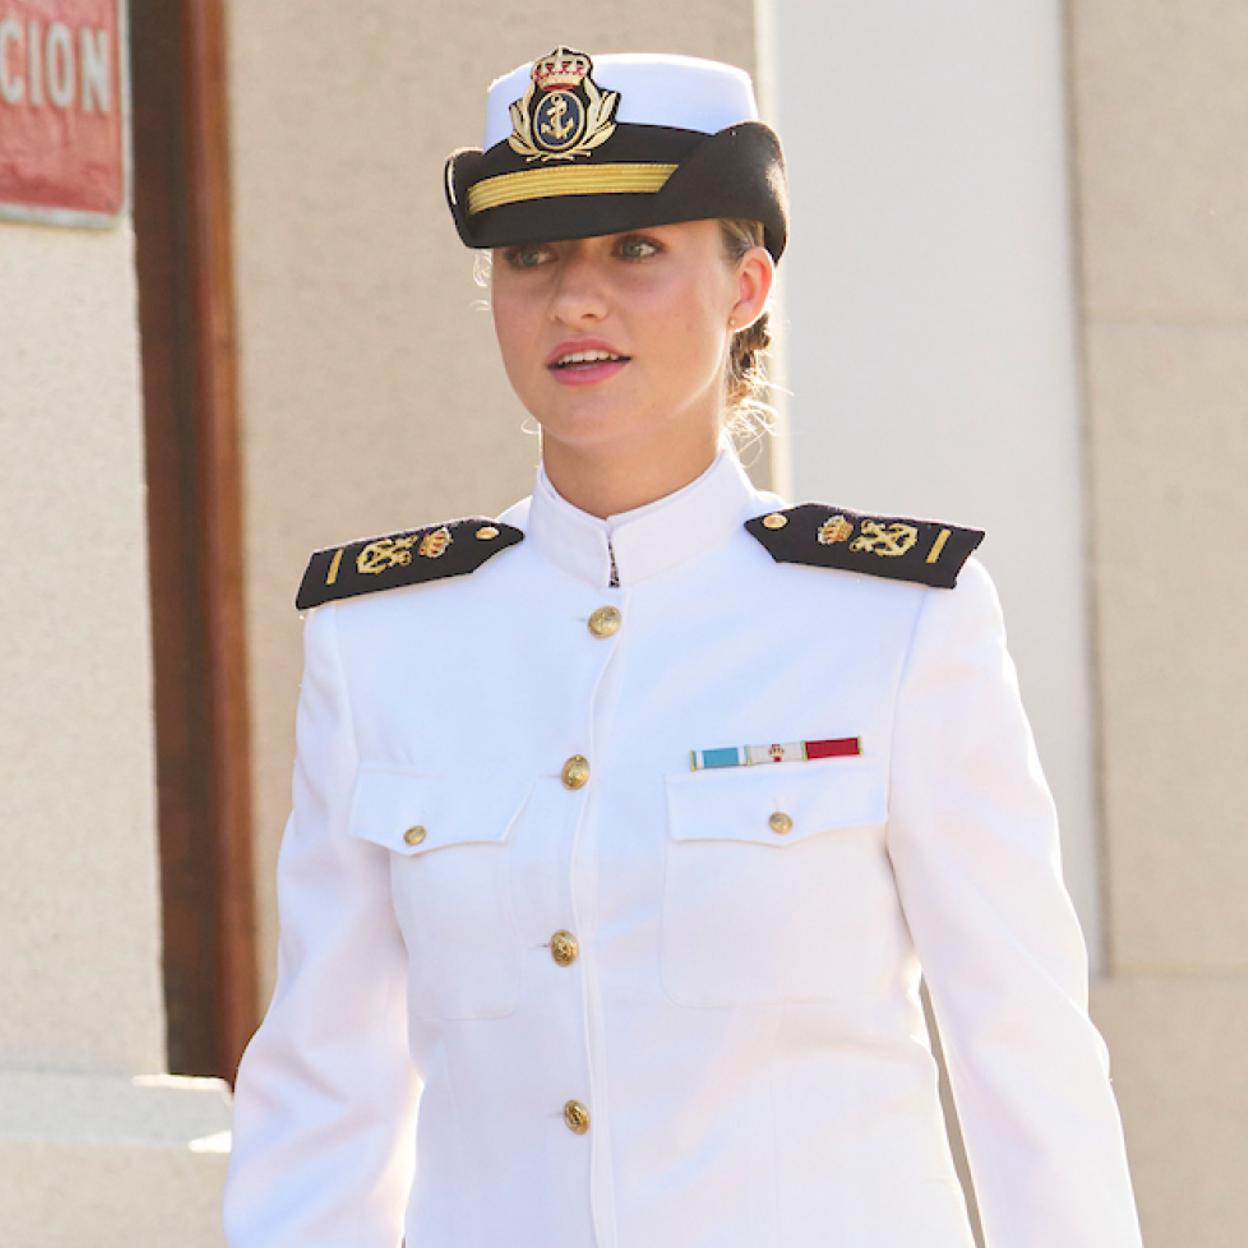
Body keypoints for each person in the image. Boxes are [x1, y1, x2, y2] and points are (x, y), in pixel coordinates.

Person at [223, 45, 1145, 1248]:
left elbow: (1026, 1059)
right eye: (532, 257)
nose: (576, 301)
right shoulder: (382, 639)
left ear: (749, 285)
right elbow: (324, 1093)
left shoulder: (896, 621)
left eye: (637, 249)